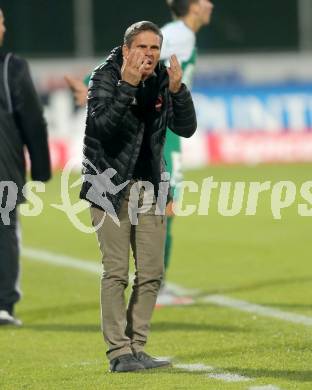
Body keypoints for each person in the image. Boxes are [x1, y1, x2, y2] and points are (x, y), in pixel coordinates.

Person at [80, 21, 197, 372]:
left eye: (154, 48)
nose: (148, 55)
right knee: (115, 272)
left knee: (151, 272)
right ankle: (118, 353)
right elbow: (102, 128)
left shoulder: (163, 77)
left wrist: (177, 91)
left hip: (151, 187)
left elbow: (186, 128)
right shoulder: (104, 76)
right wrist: (128, 84)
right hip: (108, 186)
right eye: (142, 47)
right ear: (127, 48)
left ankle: (137, 347)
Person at [157, 0, 214, 306]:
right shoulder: (179, 34)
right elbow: (131, 53)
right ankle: (154, 287)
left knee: (162, 207)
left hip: (167, 127)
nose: (211, 4)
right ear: (193, 7)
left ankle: (154, 284)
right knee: (163, 208)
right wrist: (92, 82)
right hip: (163, 129)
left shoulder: (179, 33)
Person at [0, 8, 51, 326]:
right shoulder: (11, 68)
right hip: (3, 171)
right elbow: (33, 121)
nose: (4, 27)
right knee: (5, 232)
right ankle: (3, 304)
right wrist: (42, 167)